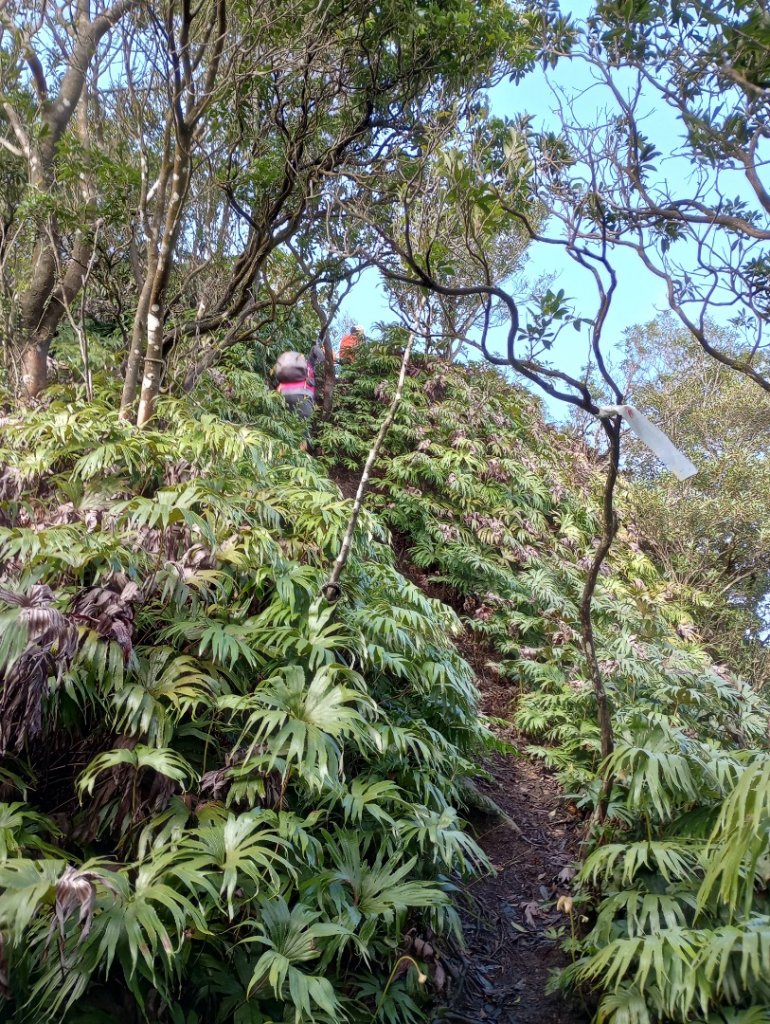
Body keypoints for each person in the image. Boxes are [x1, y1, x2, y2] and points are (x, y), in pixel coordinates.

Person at [273, 344, 323, 422]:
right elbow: (314, 348)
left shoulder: (286, 371)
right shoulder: (309, 366)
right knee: (303, 426)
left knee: (283, 425)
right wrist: (324, 359)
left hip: (281, 395)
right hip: (303, 396)